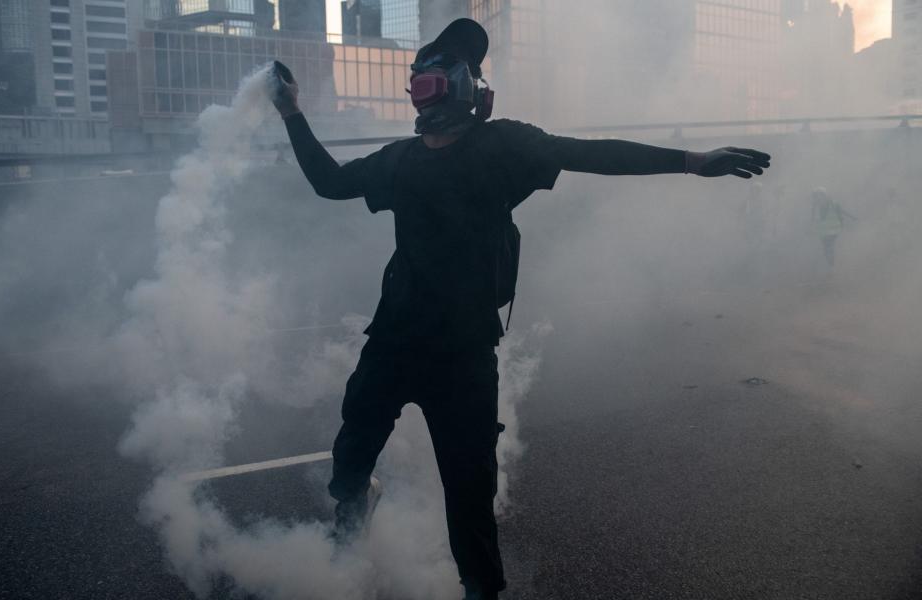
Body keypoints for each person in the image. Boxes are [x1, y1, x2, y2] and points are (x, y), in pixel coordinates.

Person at [268, 18, 771, 600]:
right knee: (349, 463)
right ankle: (353, 524)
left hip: (462, 357)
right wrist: (291, 113)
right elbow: (330, 182)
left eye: (452, 68)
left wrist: (690, 160)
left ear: (463, 87)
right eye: (431, 70)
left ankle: (481, 590)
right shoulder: (401, 160)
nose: (437, 79)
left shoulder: (502, 147)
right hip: (394, 342)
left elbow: (591, 154)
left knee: (469, 500)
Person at [810, 187, 855, 268]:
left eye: (819, 196)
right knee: (826, 249)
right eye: (816, 197)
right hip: (823, 232)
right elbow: (813, 220)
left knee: (829, 248)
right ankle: (831, 266)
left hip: (833, 231)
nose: (818, 199)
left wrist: (847, 222)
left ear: (825, 196)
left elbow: (842, 213)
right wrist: (811, 228)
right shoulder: (815, 207)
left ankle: (833, 267)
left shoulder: (834, 204)